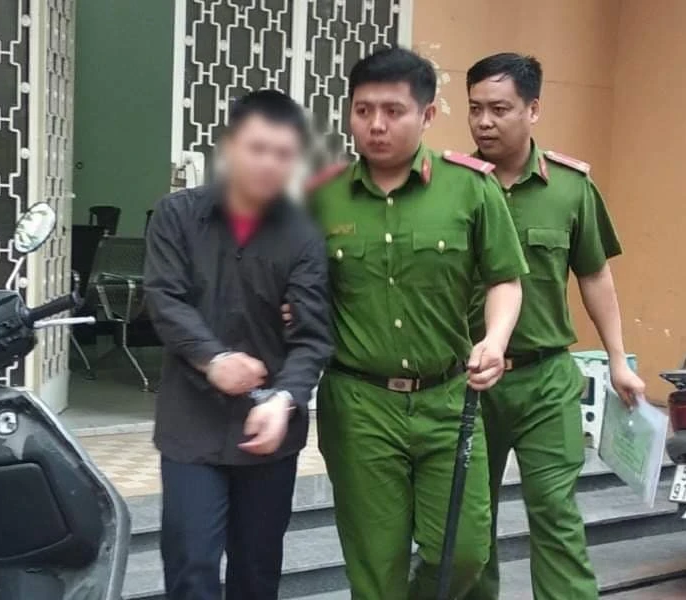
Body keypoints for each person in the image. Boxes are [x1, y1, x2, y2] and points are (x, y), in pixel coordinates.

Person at [307, 47, 528, 600]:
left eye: (393, 111)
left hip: (449, 400)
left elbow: (505, 279)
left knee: (464, 551)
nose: (376, 125)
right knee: (374, 568)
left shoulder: (470, 187)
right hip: (359, 406)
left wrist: (495, 340)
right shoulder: (322, 197)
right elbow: (295, 293)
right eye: (363, 110)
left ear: (427, 115)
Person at [461, 53, 647, 600]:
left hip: (545, 381)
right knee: (469, 520)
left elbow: (595, 275)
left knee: (555, 512)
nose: (484, 122)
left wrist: (618, 360)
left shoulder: (570, 188)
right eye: (475, 109)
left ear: (533, 109)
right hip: (468, 382)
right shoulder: (453, 185)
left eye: (499, 109)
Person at [143, 89, 333, 600]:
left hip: (270, 431)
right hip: (191, 428)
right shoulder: (177, 216)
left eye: (283, 153)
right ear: (229, 147)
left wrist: (285, 399)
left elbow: (312, 337)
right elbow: (164, 298)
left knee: (257, 573)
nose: (269, 163)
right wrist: (213, 359)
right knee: (191, 568)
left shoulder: (303, 236)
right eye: (257, 148)